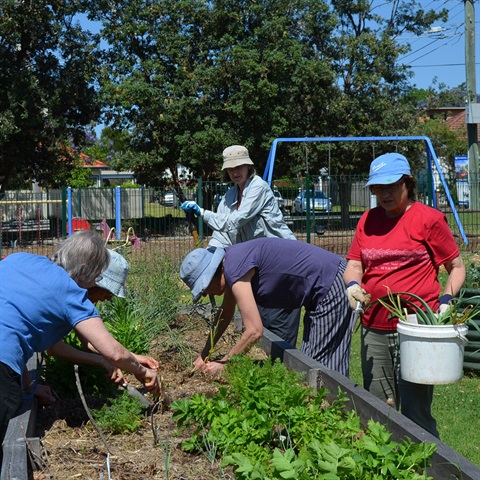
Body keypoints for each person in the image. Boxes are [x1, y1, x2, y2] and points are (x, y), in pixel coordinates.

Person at [0, 231, 161, 465]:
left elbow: (16, 327)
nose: (97, 284)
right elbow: (112, 351)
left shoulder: (21, 259)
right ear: (85, 269)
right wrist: (143, 372)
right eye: (97, 276)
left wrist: (27, 384)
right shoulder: (70, 293)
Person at [343, 152, 465, 438]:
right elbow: (354, 263)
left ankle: (426, 466)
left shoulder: (429, 219)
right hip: (375, 326)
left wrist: (445, 301)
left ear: (407, 184)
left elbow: (456, 267)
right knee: (376, 408)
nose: (384, 194)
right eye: (378, 187)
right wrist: (352, 284)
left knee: (415, 411)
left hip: (415, 329)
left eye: (391, 186)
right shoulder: (367, 220)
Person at [180, 145, 301, 347]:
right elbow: (222, 237)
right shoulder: (229, 197)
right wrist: (206, 264)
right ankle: (273, 369)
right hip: (260, 266)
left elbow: (236, 221)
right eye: (230, 168)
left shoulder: (258, 188)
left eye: (240, 167)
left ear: (248, 166)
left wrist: (202, 212)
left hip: (284, 262)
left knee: (279, 326)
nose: (235, 172)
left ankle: (287, 370)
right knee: (263, 324)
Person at [180, 237, 354, 376]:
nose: (204, 294)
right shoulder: (230, 262)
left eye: (203, 288)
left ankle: (341, 416)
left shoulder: (234, 268)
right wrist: (204, 355)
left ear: (212, 275)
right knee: (313, 365)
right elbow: (225, 314)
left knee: (322, 370)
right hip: (323, 286)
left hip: (331, 283)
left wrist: (226, 364)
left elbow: (254, 331)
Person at [29, 249, 159, 406]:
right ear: (94, 281)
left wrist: (133, 358)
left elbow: (91, 342)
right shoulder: (67, 296)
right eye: (109, 291)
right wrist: (137, 369)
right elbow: (55, 348)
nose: (109, 298)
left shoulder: (70, 292)